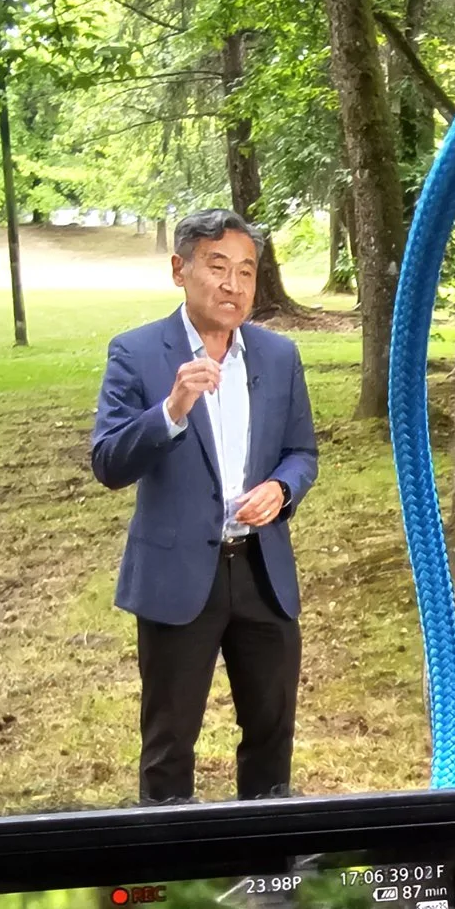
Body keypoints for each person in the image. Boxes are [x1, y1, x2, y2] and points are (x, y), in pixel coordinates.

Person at [91, 208, 321, 803]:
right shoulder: (137, 352)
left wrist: (282, 489)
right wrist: (171, 410)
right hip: (177, 577)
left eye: (246, 271)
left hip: (262, 573)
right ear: (180, 270)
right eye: (217, 267)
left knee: (271, 734)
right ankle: (167, 856)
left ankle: (269, 851)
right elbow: (109, 463)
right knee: (169, 743)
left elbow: (301, 453)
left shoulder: (278, 356)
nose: (233, 285)